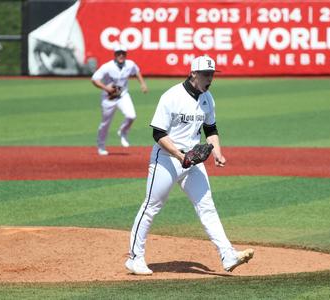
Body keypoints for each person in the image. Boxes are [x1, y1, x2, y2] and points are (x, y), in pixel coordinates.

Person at [125, 55, 254, 275]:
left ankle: (228, 254)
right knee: (151, 207)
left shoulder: (207, 98)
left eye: (212, 74)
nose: (210, 78)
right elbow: (158, 133)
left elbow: (210, 129)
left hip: (192, 161)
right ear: (193, 73)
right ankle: (135, 258)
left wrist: (218, 153)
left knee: (207, 206)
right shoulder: (172, 96)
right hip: (166, 159)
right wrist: (178, 155)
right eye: (206, 74)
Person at [91, 45, 148, 155]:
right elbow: (94, 79)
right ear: (115, 54)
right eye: (118, 53)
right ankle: (101, 145)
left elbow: (136, 71)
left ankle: (123, 132)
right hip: (108, 97)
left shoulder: (129, 64)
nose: (121, 55)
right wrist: (105, 88)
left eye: (123, 53)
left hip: (122, 95)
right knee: (105, 123)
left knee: (131, 115)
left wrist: (142, 84)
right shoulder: (107, 66)